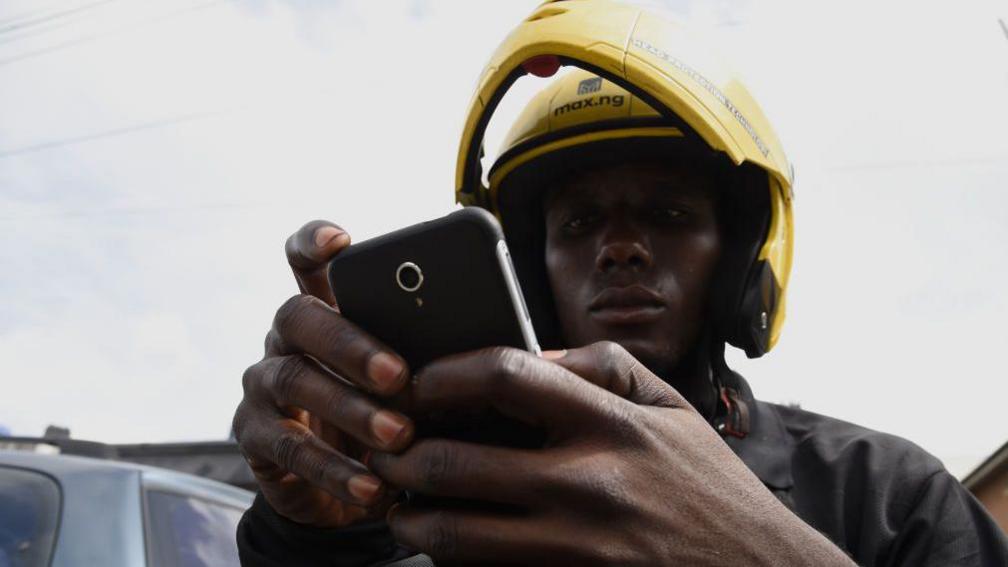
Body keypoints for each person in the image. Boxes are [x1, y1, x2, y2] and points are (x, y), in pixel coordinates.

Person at [231, 2, 1008, 565]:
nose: (622, 249)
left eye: (668, 212)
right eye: (577, 225)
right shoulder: (447, 497)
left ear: (740, 257)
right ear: (530, 276)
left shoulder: (890, 496)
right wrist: (316, 536)